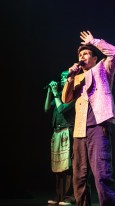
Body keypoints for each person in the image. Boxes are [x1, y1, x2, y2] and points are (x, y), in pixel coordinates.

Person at [61, 31, 115, 206]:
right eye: (80, 54)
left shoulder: (103, 68)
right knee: (79, 176)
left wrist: (93, 41)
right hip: (79, 131)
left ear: (95, 57)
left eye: (86, 53)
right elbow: (65, 99)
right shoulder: (77, 77)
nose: (83, 57)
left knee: (102, 174)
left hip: (98, 127)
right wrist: (70, 78)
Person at [44, 70, 76, 205]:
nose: (63, 80)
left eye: (66, 77)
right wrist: (50, 92)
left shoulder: (74, 94)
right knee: (58, 166)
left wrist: (56, 93)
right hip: (57, 133)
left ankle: (69, 197)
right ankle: (59, 197)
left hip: (67, 131)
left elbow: (62, 109)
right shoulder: (59, 95)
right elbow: (46, 108)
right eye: (61, 78)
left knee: (68, 167)